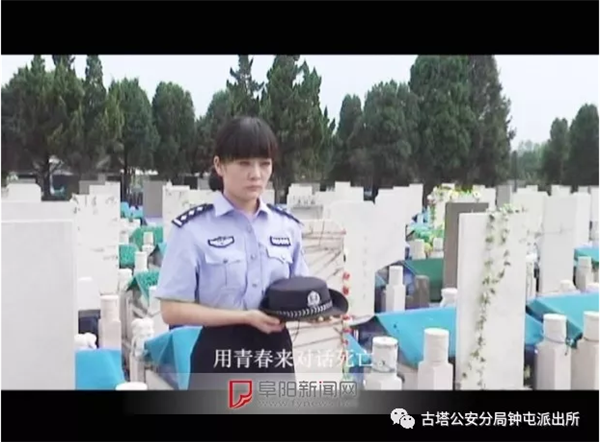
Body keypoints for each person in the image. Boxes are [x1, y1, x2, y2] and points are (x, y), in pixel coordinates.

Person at [155, 116, 310, 390]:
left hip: (275, 356)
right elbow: (171, 310)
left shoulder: (287, 227)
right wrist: (244, 317)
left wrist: (321, 309)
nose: (256, 174)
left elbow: (301, 292)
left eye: (264, 163)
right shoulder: (192, 229)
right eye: (244, 163)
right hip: (219, 357)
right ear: (219, 165)